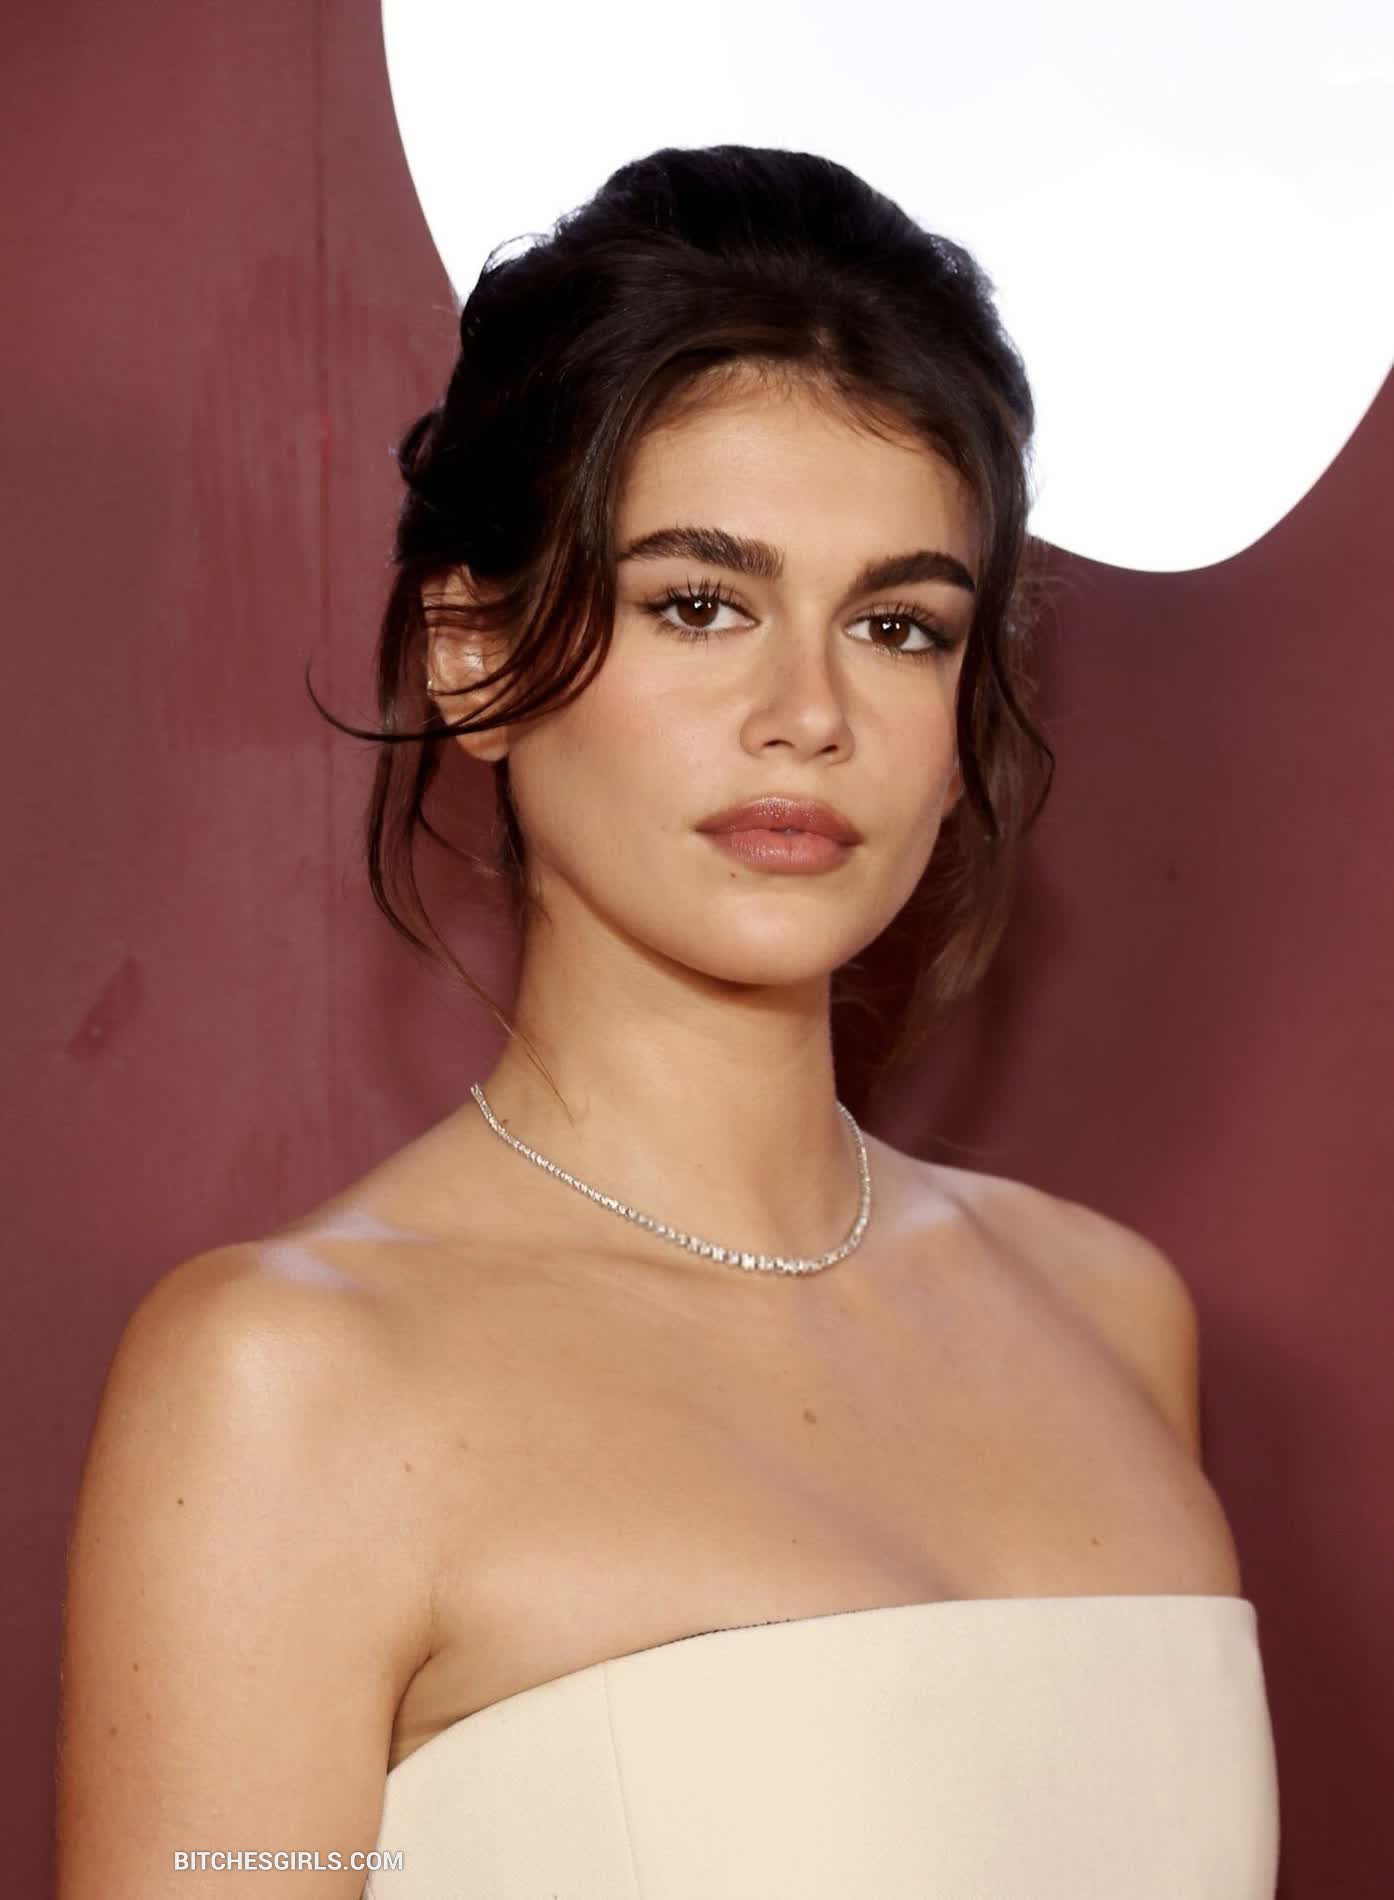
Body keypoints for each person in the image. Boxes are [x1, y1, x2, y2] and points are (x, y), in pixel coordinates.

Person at [55, 145, 1280, 1899]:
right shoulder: (288, 1384)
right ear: (475, 658)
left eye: (898, 626)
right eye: (698, 605)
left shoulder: (1106, 1312)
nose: (808, 712)